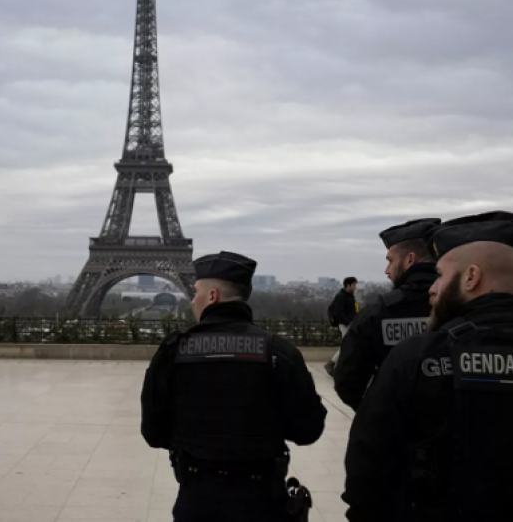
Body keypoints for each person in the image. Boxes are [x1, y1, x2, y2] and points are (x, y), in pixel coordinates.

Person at [343, 211, 513, 521]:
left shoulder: (416, 357)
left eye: (441, 275)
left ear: (472, 278)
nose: (432, 289)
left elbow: (367, 472)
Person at [141, 251, 327, 522]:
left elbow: (154, 433)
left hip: (197, 496)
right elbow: (308, 431)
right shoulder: (278, 351)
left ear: (212, 296)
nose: (193, 300)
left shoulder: (174, 351)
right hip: (261, 498)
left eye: (196, 293)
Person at [334, 218, 440, 410]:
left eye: (390, 261)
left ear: (410, 259)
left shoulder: (377, 313)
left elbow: (347, 383)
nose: (386, 270)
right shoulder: (461, 306)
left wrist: (379, 415)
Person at [324, 276, 360, 376]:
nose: (355, 287)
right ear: (348, 285)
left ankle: (334, 364)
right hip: (345, 324)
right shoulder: (342, 296)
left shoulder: (348, 295)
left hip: (348, 324)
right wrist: (349, 322)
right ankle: (332, 364)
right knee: (347, 345)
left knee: (347, 345)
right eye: (354, 285)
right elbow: (339, 312)